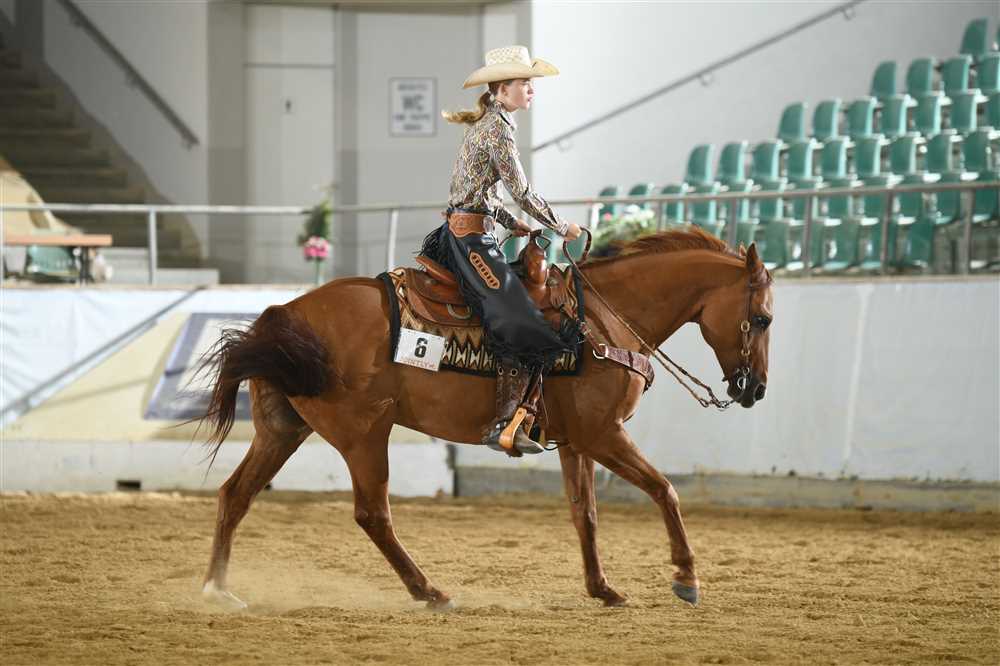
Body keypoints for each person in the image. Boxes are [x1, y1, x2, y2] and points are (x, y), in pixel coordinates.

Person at [420, 45, 583, 455]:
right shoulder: (498, 129)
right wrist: (561, 226)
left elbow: (481, 192)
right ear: (502, 88)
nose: (531, 90)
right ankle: (503, 423)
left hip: (470, 231)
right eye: (524, 83)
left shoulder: (490, 123)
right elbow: (522, 191)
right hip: (469, 239)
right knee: (518, 318)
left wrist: (511, 223)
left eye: (530, 83)